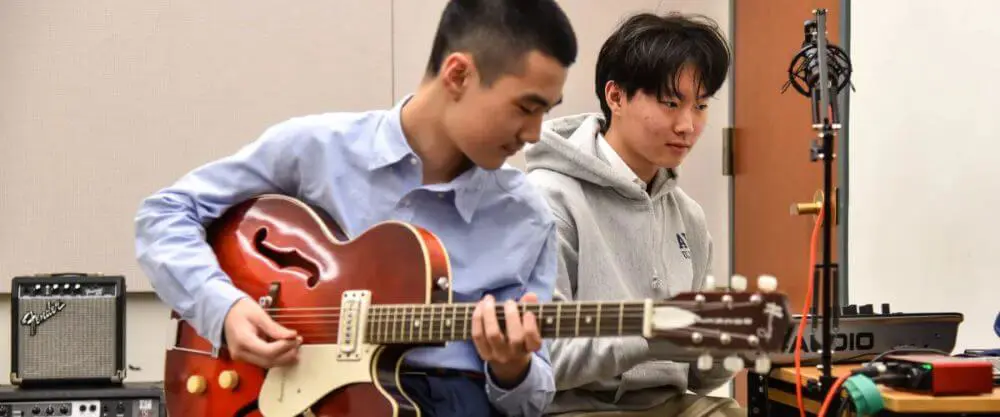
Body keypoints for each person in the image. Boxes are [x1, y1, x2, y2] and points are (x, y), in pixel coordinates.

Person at [134, 1, 577, 416]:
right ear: (458, 74)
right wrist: (224, 308)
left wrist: (512, 367)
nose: (536, 134)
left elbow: (532, 399)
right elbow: (164, 214)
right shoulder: (315, 150)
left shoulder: (528, 217)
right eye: (526, 108)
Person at [523, 12, 741, 417]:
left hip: (670, 405)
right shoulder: (549, 200)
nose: (688, 125)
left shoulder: (688, 217)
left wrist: (731, 346)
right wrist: (653, 333)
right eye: (671, 103)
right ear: (616, 97)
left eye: (702, 106)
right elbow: (542, 356)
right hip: (574, 409)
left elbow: (695, 376)